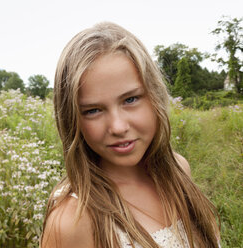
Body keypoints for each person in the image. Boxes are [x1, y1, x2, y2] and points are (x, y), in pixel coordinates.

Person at [40, 22, 220, 248]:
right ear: (72, 119)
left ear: (154, 95)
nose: (117, 127)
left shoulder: (178, 171)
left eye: (130, 99)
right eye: (93, 110)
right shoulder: (72, 221)